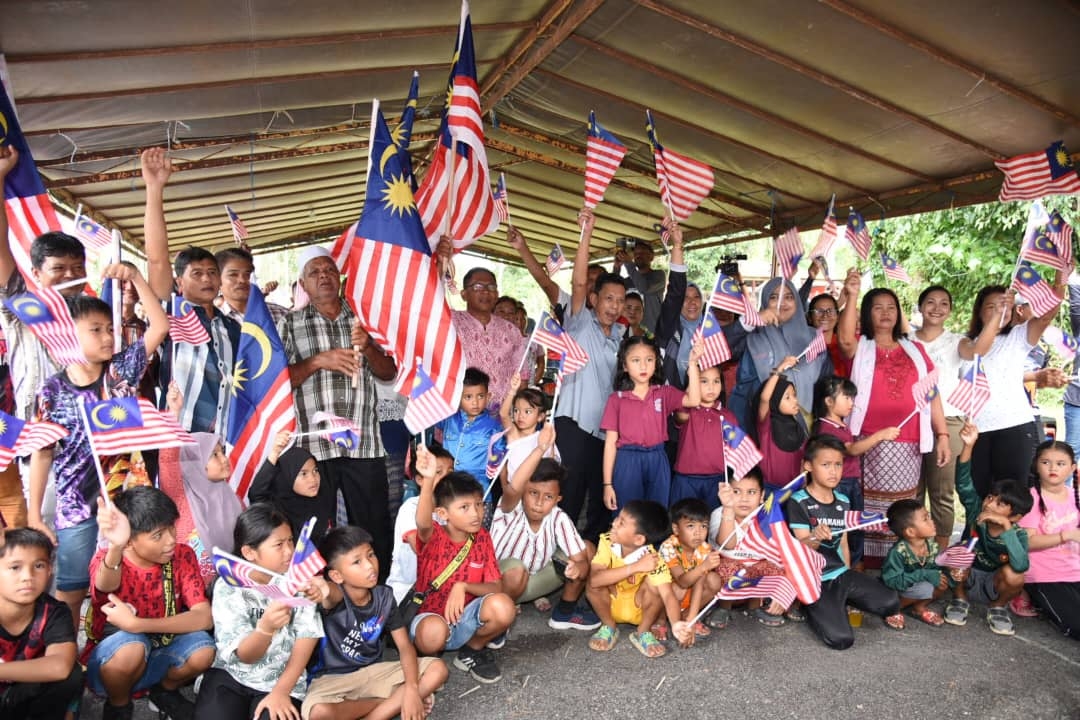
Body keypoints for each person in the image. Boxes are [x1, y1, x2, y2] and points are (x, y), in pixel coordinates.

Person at [29, 263, 168, 630]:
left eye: (110, 329)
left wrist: (136, 277)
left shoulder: (120, 374)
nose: (108, 337)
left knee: (126, 580)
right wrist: (32, 514)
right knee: (72, 588)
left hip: (125, 499)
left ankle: (121, 646)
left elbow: (160, 327)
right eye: (95, 330)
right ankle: (67, 653)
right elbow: (43, 452)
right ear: (67, 336)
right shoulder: (51, 392)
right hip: (75, 506)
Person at [280, 245, 397, 577]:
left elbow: (388, 372)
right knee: (315, 526)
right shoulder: (290, 323)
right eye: (314, 273)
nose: (323, 277)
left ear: (340, 278)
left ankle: (379, 594)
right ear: (303, 284)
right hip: (315, 447)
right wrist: (319, 361)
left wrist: (370, 345)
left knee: (373, 523)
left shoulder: (364, 320)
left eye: (329, 270)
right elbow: (277, 381)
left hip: (364, 442)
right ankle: (322, 596)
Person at [837, 271, 950, 566]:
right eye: (878, 307)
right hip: (867, 436)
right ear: (867, 313)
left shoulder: (915, 349)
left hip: (907, 439)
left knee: (900, 504)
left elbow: (931, 394)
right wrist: (850, 295)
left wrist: (943, 435)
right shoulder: (861, 346)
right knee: (863, 501)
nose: (886, 313)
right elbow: (844, 338)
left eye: (891, 307)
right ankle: (864, 560)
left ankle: (896, 560)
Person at [84, 487, 216, 720]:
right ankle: (119, 705)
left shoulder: (182, 555)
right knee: (131, 647)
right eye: (158, 535)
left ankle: (164, 691)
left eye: (172, 528)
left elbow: (203, 617)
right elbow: (105, 585)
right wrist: (115, 547)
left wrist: (138, 624)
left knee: (204, 650)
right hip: (112, 667)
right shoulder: (109, 559)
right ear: (130, 541)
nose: (171, 540)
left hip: (160, 652)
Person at [304, 526, 448, 720]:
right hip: (332, 680)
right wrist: (323, 589)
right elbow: (330, 594)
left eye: (370, 555)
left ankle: (383, 710)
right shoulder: (336, 598)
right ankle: (392, 703)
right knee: (318, 713)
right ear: (337, 576)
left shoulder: (385, 597)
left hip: (373, 674)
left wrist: (413, 689)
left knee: (437, 669)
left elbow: (405, 647)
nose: (369, 565)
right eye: (357, 562)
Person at [195, 504, 324, 720]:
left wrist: (281, 692)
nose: (290, 551)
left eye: (291, 540)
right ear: (249, 552)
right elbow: (245, 657)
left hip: (283, 679)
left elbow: (306, 640)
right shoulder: (229, 586)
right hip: (232, 675)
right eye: (279, 545)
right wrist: (265, 629)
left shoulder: (300, 580)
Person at [409, 446, 515, 684]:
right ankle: (428, 661)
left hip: (467, 618)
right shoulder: (433, 536)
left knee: (504, 606)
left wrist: (463, 586)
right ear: (443, 514)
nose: (476, 513)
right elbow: (422, 521)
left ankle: (472, 650)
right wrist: (428, 481)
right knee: (432, 633)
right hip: (432, 616)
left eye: (479, 505)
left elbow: (496, 586)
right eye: (464, 508)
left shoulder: (482, 538)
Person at [786, 435, 902, 649]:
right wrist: (815, 536)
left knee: (891, 602)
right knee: (841, 640)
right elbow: (800, 547)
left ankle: (842, 600)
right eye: (826, 465)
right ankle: (809, 606)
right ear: (808, 466)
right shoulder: (798, 501)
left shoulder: (843, 500)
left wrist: (847, 578)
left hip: (839, 573)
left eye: (838, 464)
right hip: (816, 578)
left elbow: (843, 543)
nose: (833, 471)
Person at [553, 209, 627, 543]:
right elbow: (578, 281)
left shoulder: (623, 337)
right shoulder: (580, 322)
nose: (614, 306)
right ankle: (556, 560)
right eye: (608, 298)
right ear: (594, 300)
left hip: (606, 432)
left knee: (600, 497)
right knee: (568, 495)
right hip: (574, 425)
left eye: (621, 301)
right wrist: (588, 232)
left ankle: (592, 560)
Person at [960, 281, 1062, 498]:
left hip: (1014, 427)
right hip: (976, 432)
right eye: (993, 306)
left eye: (1005, 306)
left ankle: (1014, 534)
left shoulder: (1017, 336)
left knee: (1013, 497)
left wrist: (1060, 279)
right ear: (979, 311)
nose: (1000, 311)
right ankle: (977, 533)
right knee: (978, 495)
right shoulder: (965, 343)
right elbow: (982, 361)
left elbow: (1047, 315)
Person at [492, 428, 600, 630]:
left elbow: (580, 561)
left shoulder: (558, 517)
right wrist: (541, 448)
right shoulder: (511, 506)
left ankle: (564, 613)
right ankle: (499, 622)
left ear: (558, 499)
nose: (539, 502)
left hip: (535, 582)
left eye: (548, 497)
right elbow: (514, 487)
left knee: (587, 549)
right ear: (524, 490)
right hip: (501, 582)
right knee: (516, 569)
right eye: (533, 493)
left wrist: (578, 568)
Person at [945, 423, 1032, 635]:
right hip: (967, 576)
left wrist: (1006, 528)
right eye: (990, 497)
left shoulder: (1018, 534)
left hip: (995, 583)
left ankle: (998, 607)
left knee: (1015, 576)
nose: (990, 504)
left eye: (1000, 504)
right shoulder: (977, 511)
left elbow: (1020, 565)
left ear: (1015, 517)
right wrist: (968, 446)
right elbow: (963, 483)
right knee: (956, 553)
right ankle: (959, 599)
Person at [601, 337, 702, 512]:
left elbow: (693, 400)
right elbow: (610, 444)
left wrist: (692, 365)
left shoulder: (663, 393)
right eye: (635, 360)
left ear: (656, 362)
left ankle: (655, 541)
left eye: (649, 360)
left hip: (657, 458)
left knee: (656, 513)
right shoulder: (616, 399)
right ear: (624, 366)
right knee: (628, 513)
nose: (643, 366)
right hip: (627, 460)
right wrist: (607, 484)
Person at [585, 500, 692, 658]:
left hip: (640, 610)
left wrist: (676, 623)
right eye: (617, 518)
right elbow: (594, 580)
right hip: (609, 606)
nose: (614, 523)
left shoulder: (654, 559)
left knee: (656, 585)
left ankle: (643, 631)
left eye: (621, 522)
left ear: (638, 540)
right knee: (596, 579)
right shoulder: (606, 541)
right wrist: (635, 567)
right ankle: (608, 626)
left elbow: (668, 595)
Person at [812, 375, 899, 568]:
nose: (851, 402)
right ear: (829, 401)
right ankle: (843, 564)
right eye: (847, 397)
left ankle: (855, 563)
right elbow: (850, 449)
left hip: (851, 482)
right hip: (840, 484)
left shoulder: (841, 425)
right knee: (842, 526)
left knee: (856, 525)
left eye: (852, 398)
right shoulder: (826, 427)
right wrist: (880, 435)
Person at [0, 528, 83, 720]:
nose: (27, 576)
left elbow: (60, 666)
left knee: (72, 675)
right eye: (15, 567)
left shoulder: (54, 611)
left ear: (50, 570)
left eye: (38, 565)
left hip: (22, 694)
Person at [729, 277, 832, 428]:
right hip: (762, 431)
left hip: (806, 431)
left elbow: (825, 388)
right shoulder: (752, 337)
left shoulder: (813, 338)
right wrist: (750, 322)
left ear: (797, 301)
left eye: (789, 297)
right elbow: (720, 348)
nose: (781, 303)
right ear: (764, 301)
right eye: (774, 297)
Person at [913, 285, 967, 550]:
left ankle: (942, 554)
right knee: (912, 490)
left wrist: (996, 315)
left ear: (950, 310)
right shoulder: (906, 340)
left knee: (941, 492)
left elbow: (978, 349)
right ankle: (912, 551)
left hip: (949, 421)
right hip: (912, 421)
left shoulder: (958, 341)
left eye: (943, 303)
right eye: (930, 302)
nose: (936, 308)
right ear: (920, 307)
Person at [157, 432, 243, 586]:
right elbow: (167, 460)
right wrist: (173, 414)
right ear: (194, 462)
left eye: (222, 452)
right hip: (193, 595)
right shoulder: (180, 497)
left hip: (233, 587)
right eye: (214, 455)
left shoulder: (233, 499)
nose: (224, 459)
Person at [710, 470, 792, 628]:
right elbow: (728, 544)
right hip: (728, 578)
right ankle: (723, 608)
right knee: (728, 567)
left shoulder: (767, 517)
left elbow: (779, 552)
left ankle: (756, 606)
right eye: (736, 492)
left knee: (779, 569)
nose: (744, 498)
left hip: (755, 577)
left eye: (751, 492)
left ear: (762, 496)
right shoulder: (719, 513)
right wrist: (728, 508)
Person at [1017, 440, 1080, 639]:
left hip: (1075, 570)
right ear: (1036, 465)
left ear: (1072, 468)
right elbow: (1025, 543)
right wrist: (1065, 536)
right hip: (1046, 575)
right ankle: (1027, 594)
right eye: (1046, 462)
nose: (1053, 468)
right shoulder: (1032, 499)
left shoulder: (1074, 495)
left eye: (1061, 464)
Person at [447, 266, 524, 411]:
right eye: (477, 286)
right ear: (464, 294)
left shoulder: (511, 331)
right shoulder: (451, 321)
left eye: (491, 287)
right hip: (460, 418)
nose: (486, 291)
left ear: (497, 294)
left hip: (501, 418)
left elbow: (522, 377)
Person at [387, 445, 454, 604]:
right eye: (438, 472)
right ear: (420, 479)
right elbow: (420, 547)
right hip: (408, 591)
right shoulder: (410, 508)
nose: (446, 478)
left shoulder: (453, 508)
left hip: (445, 588)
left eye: (450, 472)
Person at [670, 362, 739, 511]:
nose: (711, 387)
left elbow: (736, 448)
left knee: (714, 525)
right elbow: (680, 415)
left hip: (717, 480)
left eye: (716, 381)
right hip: (686, 480)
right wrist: (693, 375)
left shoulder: (728, 416)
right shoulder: (687, 411)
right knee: (683, 523)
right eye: (704, 381)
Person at [248, 430, 336, 545]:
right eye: (304, 474)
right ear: (288, 477)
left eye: (315, 471)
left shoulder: (322, 499)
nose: (313, 479)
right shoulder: (276, 509)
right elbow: (256, 493)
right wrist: (275, 452)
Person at [657, 498, 723, 639]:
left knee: (714, 580)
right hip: (667, 598)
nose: (698, 533)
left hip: (689, 595)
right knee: (676, 588)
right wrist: (703, 566)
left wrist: (691, 619)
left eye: (704, 526)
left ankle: (686, 617)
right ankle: (660, 621)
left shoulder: (704, 548)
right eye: (691, 526)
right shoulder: (668, 547)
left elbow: (699, 584)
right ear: (676, 529)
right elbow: (682, 582)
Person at [881, 499, 949, 627]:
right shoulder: (898, 552)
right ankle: (893, 609)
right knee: (925, 588)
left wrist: (949, 568)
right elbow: (892, 581)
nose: (932, 521)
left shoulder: (932, 547)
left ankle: (919, 607)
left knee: (942, 582)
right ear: (910, 532)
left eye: (929, 517)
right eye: (925, 519)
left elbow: (935, 568)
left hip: (917, 586)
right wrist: (924, 574)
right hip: (897, 589)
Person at [435, 367, 503, 489]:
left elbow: (500, 455)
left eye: (480, 396)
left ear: (488, 397)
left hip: (478, 489)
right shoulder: (449, 417)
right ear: (458, 397)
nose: (475, 403)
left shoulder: (494, 425)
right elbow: (430, 416)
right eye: (468, 397)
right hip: (448, 487)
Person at [753, 355, 808, 491]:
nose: (795, 401)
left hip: (795, 488)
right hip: (770, 488)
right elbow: (765, 398)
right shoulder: (766, 425)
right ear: (775, 401)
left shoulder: (799, 428)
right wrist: (780, 368)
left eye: (794, 395)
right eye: (787, 397)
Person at [498, 376, 560, 486]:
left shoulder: (543, 437)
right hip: (515, 493)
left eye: (527, 412)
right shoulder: (514, 434)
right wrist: (512, 390)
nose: (520, 415)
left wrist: (549, 443)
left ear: (540, 416)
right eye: (516, 410)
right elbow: (503, 414)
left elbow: (552, 465)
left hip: (535, 491)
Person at [213, 247, 289, 325]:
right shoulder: (213, 322)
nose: (242, 280)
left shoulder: (282, 315)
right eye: (233, 275)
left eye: (248, 274)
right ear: (218, 279)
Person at [614, 240, 665, 332]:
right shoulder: (628, 280)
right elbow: (613, 290)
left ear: (651, 256)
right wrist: (616, 268)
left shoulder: (658, 276)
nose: (638, 255)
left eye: (642, 252)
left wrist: (629, 264)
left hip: (651, 333)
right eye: (636, 253)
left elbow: (644, 288)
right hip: (628, 332)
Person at [806, 291, 851, 378]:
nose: (825, 315)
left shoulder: (845, 345)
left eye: (830, 311)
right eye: (819, 311)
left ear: (838, 317)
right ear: (810, 318)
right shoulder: (805, 346)